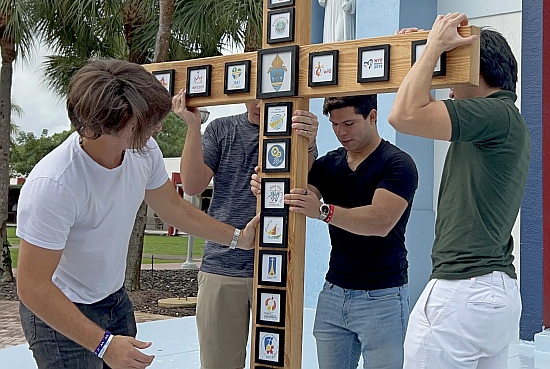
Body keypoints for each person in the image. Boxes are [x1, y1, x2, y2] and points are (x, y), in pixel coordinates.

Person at [16, 59, 259, 369]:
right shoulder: (54, 185)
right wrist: (104, 345)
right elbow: (33, 287)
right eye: (148, 121)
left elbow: (174, 209)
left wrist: (238, 237)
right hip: (59, 312)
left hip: (113, 299)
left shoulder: (142, 151)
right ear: (114, 123)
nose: (158, 126)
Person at [388, 13, 530, 369]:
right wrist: (421, 50)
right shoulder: (502, 119)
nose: (448, 87)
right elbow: (416, 103)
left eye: (453, 72)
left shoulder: (495, 115)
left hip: (463, 289)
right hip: (492, 293)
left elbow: (403, 115)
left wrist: (434, 47)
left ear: (477, 71)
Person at [251, 95, 418, 369]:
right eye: (335, 124)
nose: (341, 132)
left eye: (349, 123)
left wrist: (323, 211)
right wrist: (269, 185)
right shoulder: (329, 163)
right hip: (333, 293)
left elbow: (381, 221)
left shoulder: (397, 163)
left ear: (372, 117)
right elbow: (298, 198)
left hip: (383, 296)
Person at [172, 89, 319, 369]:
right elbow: (192, 186)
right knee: (219, 364)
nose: (257, 104)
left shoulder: (296, 130)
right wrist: (193, 127)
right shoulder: (222, 128)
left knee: (279, 363)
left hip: (279, 267)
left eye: (265, 98)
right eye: (252, 96)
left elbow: (306, 182)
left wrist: (309, 143)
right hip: (223, 265)